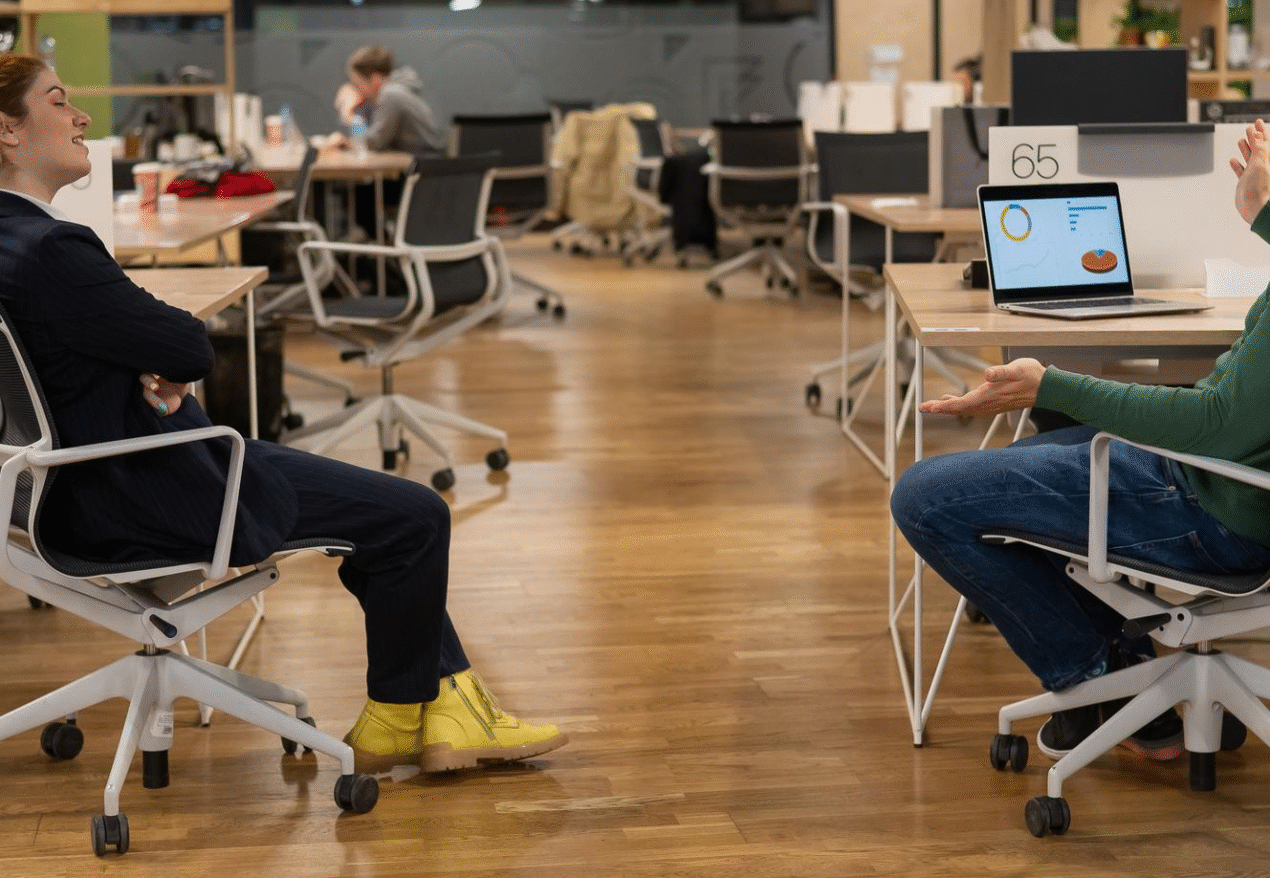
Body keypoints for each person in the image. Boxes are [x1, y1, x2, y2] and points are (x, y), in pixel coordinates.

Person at [0, 54, 566, 776]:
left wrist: (142, 351)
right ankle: (400, 718)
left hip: (53, 492)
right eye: (58, 101)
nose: (80, 117)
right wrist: (161, 355)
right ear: (8, 130)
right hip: (150, 490)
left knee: (383, 513)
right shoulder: (54, 248)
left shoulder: (15, 241)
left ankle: (449, 708)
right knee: (416, 514)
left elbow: (120, 342)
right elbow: (185, 342)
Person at [890, 118, 1270, 762]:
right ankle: (1123, 666)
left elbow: (1212, 427)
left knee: (926, 497)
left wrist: (1050, 386)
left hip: (1217, 508)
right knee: (1020, 468)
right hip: (1225, 485)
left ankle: (1096, 683)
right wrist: (1260, 213)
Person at [326, 45, 445, 246]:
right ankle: (384, 249)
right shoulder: (398, 91)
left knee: (357, 196)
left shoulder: (391, 95)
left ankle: (388, 252)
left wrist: (348, 113)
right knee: (362, 193)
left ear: (374, 78)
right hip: (428, 175)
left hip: (418, 180)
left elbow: (374, 142)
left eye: (358, 83)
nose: (358, 90)